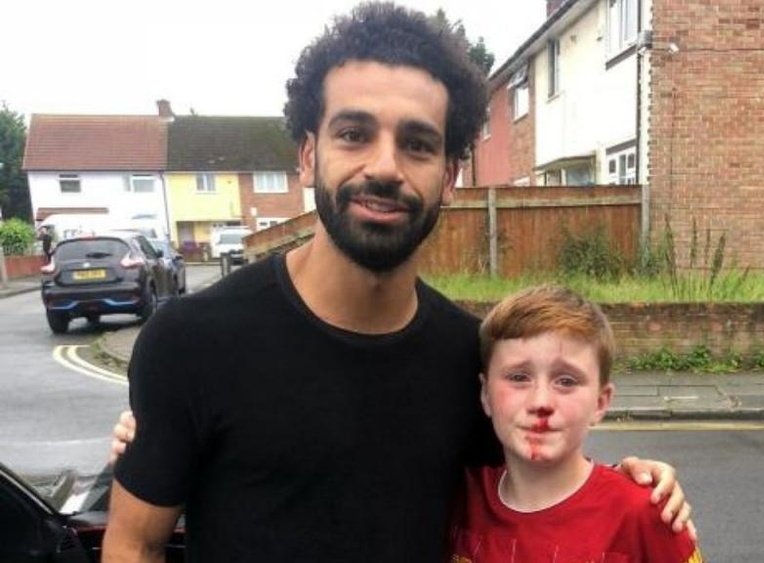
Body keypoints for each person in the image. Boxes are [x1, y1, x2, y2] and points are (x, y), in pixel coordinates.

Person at [103, 3, 693, 561]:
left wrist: (635, 486)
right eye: (354, 134)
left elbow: (538, 485)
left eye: (417, 144)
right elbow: (134, 546)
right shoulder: (192, 341)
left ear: (449, 177)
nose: (385, 167)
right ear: (309, 156)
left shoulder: (470, 358)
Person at [450, 286, 704, 562]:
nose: (541, 402)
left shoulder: (646, 515)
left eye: (566, 381)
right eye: (519, 377)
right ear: (486, 394)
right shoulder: (456, 498)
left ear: (600, 402)